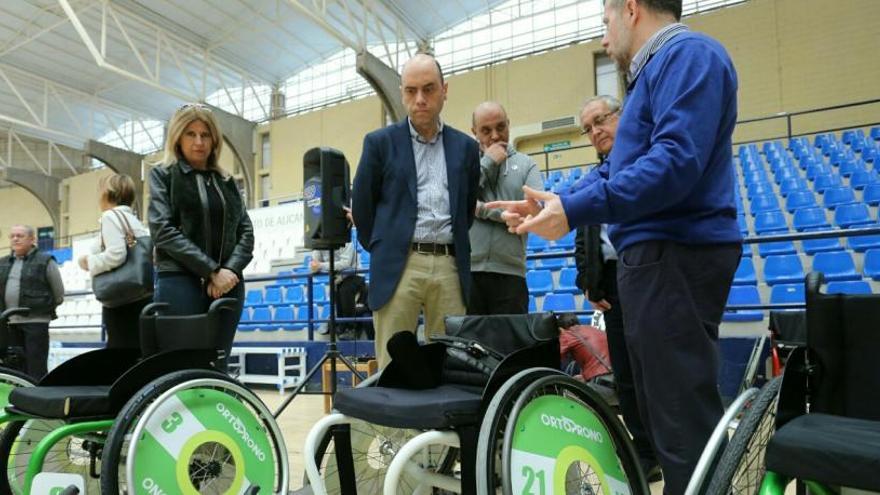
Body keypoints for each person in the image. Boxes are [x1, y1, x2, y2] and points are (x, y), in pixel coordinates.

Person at [488, 1, 742, 491]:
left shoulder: (687, 55)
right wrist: (556, 203)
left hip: (673, 254)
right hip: (651, 260)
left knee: (681, 424)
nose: (605, 39)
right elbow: (613, 173)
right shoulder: (653, 75)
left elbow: (674, 164)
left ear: (630, 9)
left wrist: (574, 209)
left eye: (604, 23)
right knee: (659, 418)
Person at [352, 53, 480, 367]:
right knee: (392, 366)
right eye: (411, 91)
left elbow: (466, 210)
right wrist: (386, 246)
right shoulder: (379, 143)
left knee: (451, 363)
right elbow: (362, 207)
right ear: (401, 93)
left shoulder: (466, 148)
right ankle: (387, 420)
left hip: (450, 266)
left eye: (428, 89)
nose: (420, 99)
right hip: (399, 264)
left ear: (444, 90)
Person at [573, 94, 661, 481]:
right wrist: (588, 282)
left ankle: (669, 450)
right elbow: (584, 238)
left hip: (650, 271)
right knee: (625, 372)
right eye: (588, 128)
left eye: (601, 120)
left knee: (655, 366)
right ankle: (643, 453)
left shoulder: (647, 160)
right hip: (611, 280)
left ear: (621, 116)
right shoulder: (593, 181)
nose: (595, 131)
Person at [148, 103, 254, 371]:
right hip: (179, 281)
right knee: (181, 366)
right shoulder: (162, 175)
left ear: (214, 140)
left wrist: (228, 271)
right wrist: (211, 270)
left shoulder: (227, 181)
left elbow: (246, 231)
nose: (199, 142)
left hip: (229, 283)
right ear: (177, 138)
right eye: (190, 134)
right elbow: (162, 230)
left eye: (205, 135)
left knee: (218, 364)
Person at [468, 102, 543, 315]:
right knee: (469, 346)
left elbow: (534, 211)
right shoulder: (468, 166)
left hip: (511, 275)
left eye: (500, 127)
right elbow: (459, 199)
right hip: (469, 273)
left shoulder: (527, 164)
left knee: (511, 347)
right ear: (474, 132)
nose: (494, 136)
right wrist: (487, 163)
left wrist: (479, 209)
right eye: (486, 130)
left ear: (509, 125)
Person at [78, 173, 152, 349]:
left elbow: (116, 255)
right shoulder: (132, 219)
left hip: (121, 299)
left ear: (107, 193)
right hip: (138, 295)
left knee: (120, 349)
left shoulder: (110, 217)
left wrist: (88, 261)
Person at [0, 225, 64, 379]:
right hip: (8, 323)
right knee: (14, 366)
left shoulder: (45, 261)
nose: (15, 239)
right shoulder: (2, 262)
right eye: (12, 236)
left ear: (32, 239)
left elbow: (58, 293)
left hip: (36, 321)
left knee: (36, 365)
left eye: (20, 236)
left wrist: (41, 309)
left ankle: (37, 398)